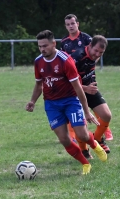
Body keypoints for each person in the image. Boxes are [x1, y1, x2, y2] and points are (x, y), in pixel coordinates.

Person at [25, 30, 107, 175]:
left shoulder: (65, 60)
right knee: (64, 139)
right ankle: (85, 163)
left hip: (70, 101)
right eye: (40, 46)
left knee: (81, 135)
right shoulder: (38, 62)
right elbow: (39, 84)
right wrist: (32, 101)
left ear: (53, 44)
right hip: (51, 104)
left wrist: (87, 112)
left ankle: (95, 145)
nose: (42, 49)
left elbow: (77, 87)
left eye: (45, 46)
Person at [61, 14, 113, 142]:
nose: (71, 26)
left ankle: (104, 132)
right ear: (65, 26)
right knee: (75, 111)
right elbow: (64, 67)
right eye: (68, 24)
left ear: (77, 24)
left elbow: (96, 53)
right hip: (73, 81)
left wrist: (89, 66)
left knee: (100, 109)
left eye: (73, 23)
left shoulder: (86, 38)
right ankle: (75, 137)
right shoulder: (64, 42)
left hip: (87, 78)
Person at [71, 35, 112, 156]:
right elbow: (67, 82)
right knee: (80, 125)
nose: (97, 54)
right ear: (89, 46)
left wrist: (89, 88)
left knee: (106, 115)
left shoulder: (95, 55)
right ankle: (83, 149)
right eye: (96, 50)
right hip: (75, 93)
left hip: (91, 90)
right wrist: (85, 88)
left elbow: (95, 58)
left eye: (101, 52)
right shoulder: (76, 59)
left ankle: (98, 139)